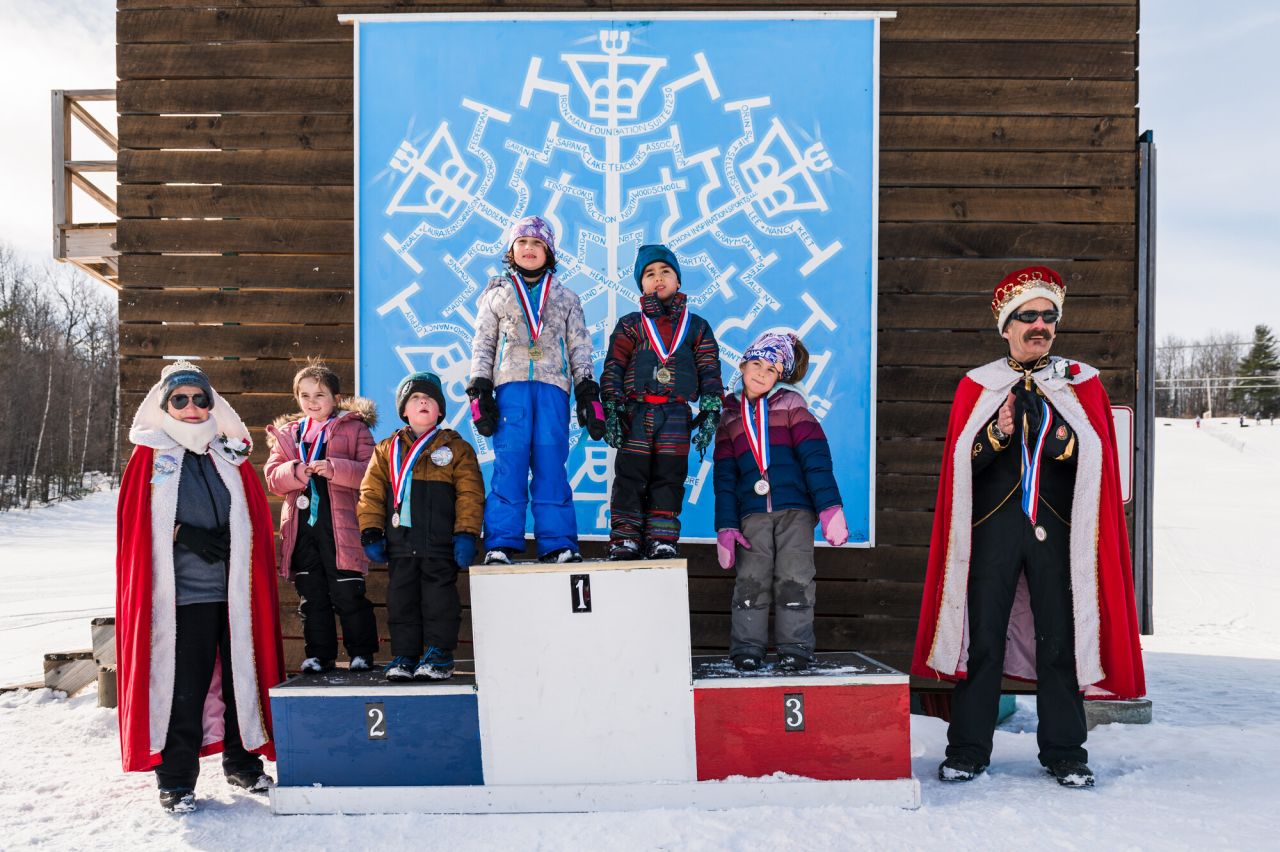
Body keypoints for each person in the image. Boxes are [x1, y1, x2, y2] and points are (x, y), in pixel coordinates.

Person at [911, 266, 1146, 788]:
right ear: (1006, 326)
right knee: (984, 639)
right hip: (993, 532)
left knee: (1059, 638)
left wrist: (1061, 439)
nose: (1040, 324)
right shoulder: (979, 385)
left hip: (1059, 533)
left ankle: (1065, 751)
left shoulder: (1080, 383)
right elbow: (959, 468)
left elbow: (1098, 462)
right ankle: (968, 749)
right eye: (1028, 316)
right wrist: (997, 432)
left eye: (1049, 316)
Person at [116, 361, 284, 813]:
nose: (191, 408)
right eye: (180, 399)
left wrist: (239, 534)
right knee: (182, 689)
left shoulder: (228, 454)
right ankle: (176, 780)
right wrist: (180, 533)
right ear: (164, 404)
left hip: (233, 597)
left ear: (213, 404)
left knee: (240, 683)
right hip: (180, 599)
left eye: (200, 399)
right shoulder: (149, 456)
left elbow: (250, 512)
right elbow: (136, 528)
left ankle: (243, 763)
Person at [466, 216, 605, 565]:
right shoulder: (497, 294)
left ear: (549, 252)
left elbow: (579, 347)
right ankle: (500, 543)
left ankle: (558, 543)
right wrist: (480, 389)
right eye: (522, 243)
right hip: (510, 388)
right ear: (512, 250)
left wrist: (587, 390)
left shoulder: (566, 297)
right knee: (509, 464)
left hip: (553, 390)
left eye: (537, 244)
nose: (529, 249)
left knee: (550, 466)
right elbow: (483, 343)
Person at [713, 332, 848, 671]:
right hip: (751, 517)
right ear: (742, 365)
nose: (760, 373)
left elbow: (815, 458)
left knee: (795, 579)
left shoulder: (792, 406)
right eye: (756, 364)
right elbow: (725, 478)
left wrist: (829, 507)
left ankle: (796, 649)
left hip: (795, 513)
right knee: (750, 581)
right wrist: (726, 526)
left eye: (771, 369)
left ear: (780, 377)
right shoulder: (730, 418)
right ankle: (747, 649)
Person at [358, 372, 484, 681]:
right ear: (404, 411)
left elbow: (470, 493)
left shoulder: (457, 448)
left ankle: (439, 655)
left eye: (429, 398)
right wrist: (371, 531)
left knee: (439, 600)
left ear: (440, 410)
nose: (422, 401)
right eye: (415, 398)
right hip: (400, 545)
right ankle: (405, 656)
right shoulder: (386, 450)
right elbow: (371, 493)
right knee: (401, 601)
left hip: (439, 545)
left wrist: (466, 533)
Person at [601, 244, 724, 560]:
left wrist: (711, 408)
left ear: (678, 281)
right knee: (630, 478)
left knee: (669, 478)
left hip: (676, 416)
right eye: (649, 274)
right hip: (637, 413)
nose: (658, 279)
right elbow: (614, 365)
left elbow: (709, 367)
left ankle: (662, 538)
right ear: (641, 284)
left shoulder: (696, 326)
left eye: (665, 272)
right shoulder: (631, 324)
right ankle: (625, 539)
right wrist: (612, 407)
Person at [265, 359, 378, 674]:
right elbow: (273, 477)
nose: (312, 402)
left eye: (320, 395)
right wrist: (296, 471)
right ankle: (319, 655)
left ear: (337, 398)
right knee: (311, 595)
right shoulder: (288, 434)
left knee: (348, 592)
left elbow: (373, 474)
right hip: (301, 529)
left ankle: (361, 653)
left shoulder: (354, 428)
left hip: (340, 527)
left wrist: (336, 469)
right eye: (305, 395)